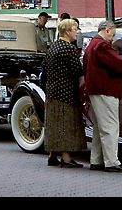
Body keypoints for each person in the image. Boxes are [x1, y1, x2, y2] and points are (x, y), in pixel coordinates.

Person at [83, 20, 122, 173]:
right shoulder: (102, 46)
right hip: (105, 90)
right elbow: (117, 62)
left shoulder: (91, 45)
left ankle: (97, 160)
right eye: (112, 35)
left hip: (95, 89)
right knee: (110, 127)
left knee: (99, 127)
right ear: (107, 30)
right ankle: (112, 162)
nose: (112, 39)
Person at [43, 18, 87, 168]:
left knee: (53, 123)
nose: (77, 33)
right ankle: (66, 158)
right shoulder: (69, 49)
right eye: (75, 30)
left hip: (52, 91)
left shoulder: (53, 47)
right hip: (66, 92)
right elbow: (78, 70)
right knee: (65, 124)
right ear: (67, 32)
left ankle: (52, 155)